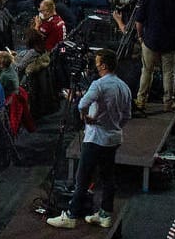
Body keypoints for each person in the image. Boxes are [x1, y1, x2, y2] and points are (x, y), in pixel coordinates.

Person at [48, 51, 132, 229]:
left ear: (103, 65)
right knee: (108, 177)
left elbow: (82, 104)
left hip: (95, 138)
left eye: (97, 62)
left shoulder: (99, 84)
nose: (95, 65)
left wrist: (86, 117)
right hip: (114, 137)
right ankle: (105, 214)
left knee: (83, 176)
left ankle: (71, 215)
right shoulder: (124, 86)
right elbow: (127, 115)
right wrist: (114, 126)